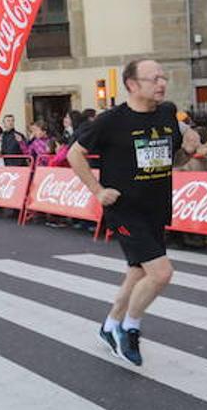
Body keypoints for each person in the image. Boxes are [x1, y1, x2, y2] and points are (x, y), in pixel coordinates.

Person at [68, 58, 180, 367]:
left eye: (163, 77)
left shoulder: (167, 114)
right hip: (125, 210)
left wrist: (192, 145)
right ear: (132, 85)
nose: (161, 83)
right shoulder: (110, 121)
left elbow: (175, 154)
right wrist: (98, 190)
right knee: (161, 273)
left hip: (156, 207)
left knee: (138, 272)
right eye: (153, 78)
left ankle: (108, 326)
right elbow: (74, 154)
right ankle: (129, 329)